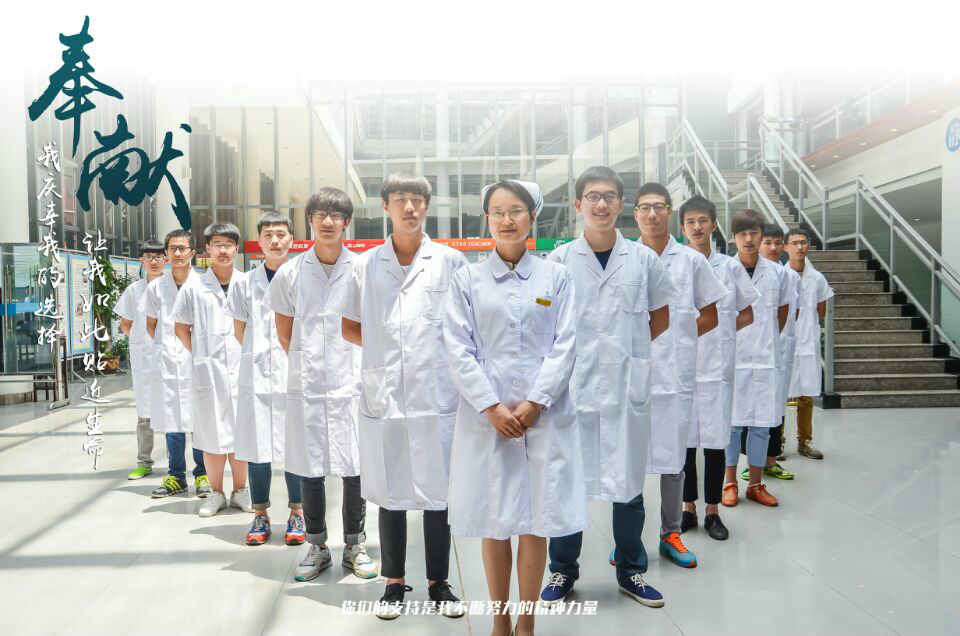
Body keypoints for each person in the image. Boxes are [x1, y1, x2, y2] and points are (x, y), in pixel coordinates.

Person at [445, 178, 586, 636]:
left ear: (532, 217)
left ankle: (527, 621)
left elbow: (566, 344)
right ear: (487, 219)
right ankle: (500, 619)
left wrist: (535, 403)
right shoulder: (467, 279)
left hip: (543, 417)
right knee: (495, 519)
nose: (507, 220)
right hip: (488, 420)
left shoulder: (555, 277)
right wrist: (492, 407)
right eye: (498, 212)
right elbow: (457, 348)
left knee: (535, 520)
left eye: (516, 211)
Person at [543, 167, 676, 609]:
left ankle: (631, 571)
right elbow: (546, 321)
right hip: (573, 390)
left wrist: (626, 353)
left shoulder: (643, 260)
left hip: (625, 389)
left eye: (610, 196)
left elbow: (661, 315)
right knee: (569, 482)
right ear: (578, 204)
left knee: (629, 484)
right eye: (592, 196)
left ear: (621, 204)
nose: (601, 204)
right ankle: (563, 570)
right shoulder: (559, 261)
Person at [339, 172, 467, 620]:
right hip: (386, 394)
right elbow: (349, 325)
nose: (409, 207)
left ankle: (439, 583)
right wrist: (387, 351)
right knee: (391, 491)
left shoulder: (451, 262)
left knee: (438, 493)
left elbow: (465, 327)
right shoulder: (365, 265)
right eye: (400, 199)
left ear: (426, 206)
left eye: (416, 199)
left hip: (437, 394)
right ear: (386, 206)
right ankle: (394, 583)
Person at [268, 192, 377, 580]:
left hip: (353, 383)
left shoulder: (364, 269)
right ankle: (316, 546)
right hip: (309, 385)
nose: (328, 221)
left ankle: (354, 544)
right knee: (309, 467)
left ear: (347, 222)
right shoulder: (290, 273)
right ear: (310, 220)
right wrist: (309, 365)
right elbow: (285, 334)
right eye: (320, 214)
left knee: (355, 467)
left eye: (336, 215)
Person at [634, 183, 726, 568]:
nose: (652, 214)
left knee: (674, 457)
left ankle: (670, 532)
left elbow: (710, 314)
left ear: (669, 212)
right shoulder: (626, 259)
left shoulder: (691, 261)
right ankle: (628, 539)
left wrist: (681, 339)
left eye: (659, 207)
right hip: (634, 375)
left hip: (675, 375)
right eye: (644, 207)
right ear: (635, 214)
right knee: (630, 459)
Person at [678, 196, 758, 540]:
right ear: (682, 227)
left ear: (713, 224)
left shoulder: (729, 267)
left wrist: (723, 334)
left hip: (717, 369)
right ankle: (687, 508)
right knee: (684, 442)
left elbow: (747, 312)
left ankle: (712, 511)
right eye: (690, 222)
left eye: (703, 220)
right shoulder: (676, 264)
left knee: (714, 441)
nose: (697, 227)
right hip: (683, 366)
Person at [225, 212, 305, 546]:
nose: (275, 240)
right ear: (259, 240)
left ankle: (298, 513)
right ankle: (260, 514)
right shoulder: (244, 282)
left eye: (281, 234)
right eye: (268, 234)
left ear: (291, 240)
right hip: (256, 376)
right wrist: (260, 356)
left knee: (296, 446)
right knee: (257, 447)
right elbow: (239, 329)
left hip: (293, 373)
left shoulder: (303, 276)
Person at [172, 223, 249, 517]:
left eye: (228, 244)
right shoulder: (194, 288)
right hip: (208, 372)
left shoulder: (247, 284)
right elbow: (181, 328)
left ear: (237, 248)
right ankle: (216, 493)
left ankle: (240, 491)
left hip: (243, 369)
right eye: (217, 244)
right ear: (207, 249)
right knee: (211, 433)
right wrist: (203, 356)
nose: (223, 250)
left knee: (242, 433)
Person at [723, 210, 790, 508]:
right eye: (742, 234)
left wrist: (766, 341)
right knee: (732, 426)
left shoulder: (779, 274)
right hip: (733, 358)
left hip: (765, 358)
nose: (748, 239)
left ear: (762, 235)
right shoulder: (723, 270)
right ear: (734, 238)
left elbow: (783, 314)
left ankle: (756, 484)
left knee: (762, 425)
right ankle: (730, 483)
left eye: (754, 233)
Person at [143, 230, 208, 498]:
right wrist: (167, 350)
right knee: (172, 420)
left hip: (195, 360)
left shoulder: (204, 285)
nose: (178, 253)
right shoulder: (156, 288)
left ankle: (203, 474)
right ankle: (176, 476)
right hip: (168, 363)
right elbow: (151, 326)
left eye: (183, 248)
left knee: (199, 420)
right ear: (167, 254)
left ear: (192, 252)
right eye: (173, 249)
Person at [745, 224, 799, 481]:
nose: (773, 247)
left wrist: (773, 336)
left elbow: (789, 311)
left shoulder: (786, 275)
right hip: (748, 351)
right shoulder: (741, 270)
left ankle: (770, 460)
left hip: (776, 349)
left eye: (778, 242)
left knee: (775, 408)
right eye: (768, 242)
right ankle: (751, 463)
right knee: (746, 410)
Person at [115, 239, 166, 481]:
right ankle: (144, 462)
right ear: (142, 261)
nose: (154, 261)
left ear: (166, 259)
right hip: (144, 359)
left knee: (179, 411)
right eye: (149, 257)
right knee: (145, 413)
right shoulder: (133, 290)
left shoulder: (173, 286)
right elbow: (126, 323)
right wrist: (142, 343)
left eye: (158, 256)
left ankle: (182, 467)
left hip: (171, 357)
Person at [786, 228, 832, 459]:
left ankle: (805, 442)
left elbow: (821, 311)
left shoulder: (817, 278)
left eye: (803, 242)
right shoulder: (781, 275)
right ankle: (777, 443)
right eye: (794, 243)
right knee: (782, 395)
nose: (799, 247)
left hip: (808, 343)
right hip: (786, 342)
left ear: (808, 246)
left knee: (806, 395)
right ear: (786, 247)